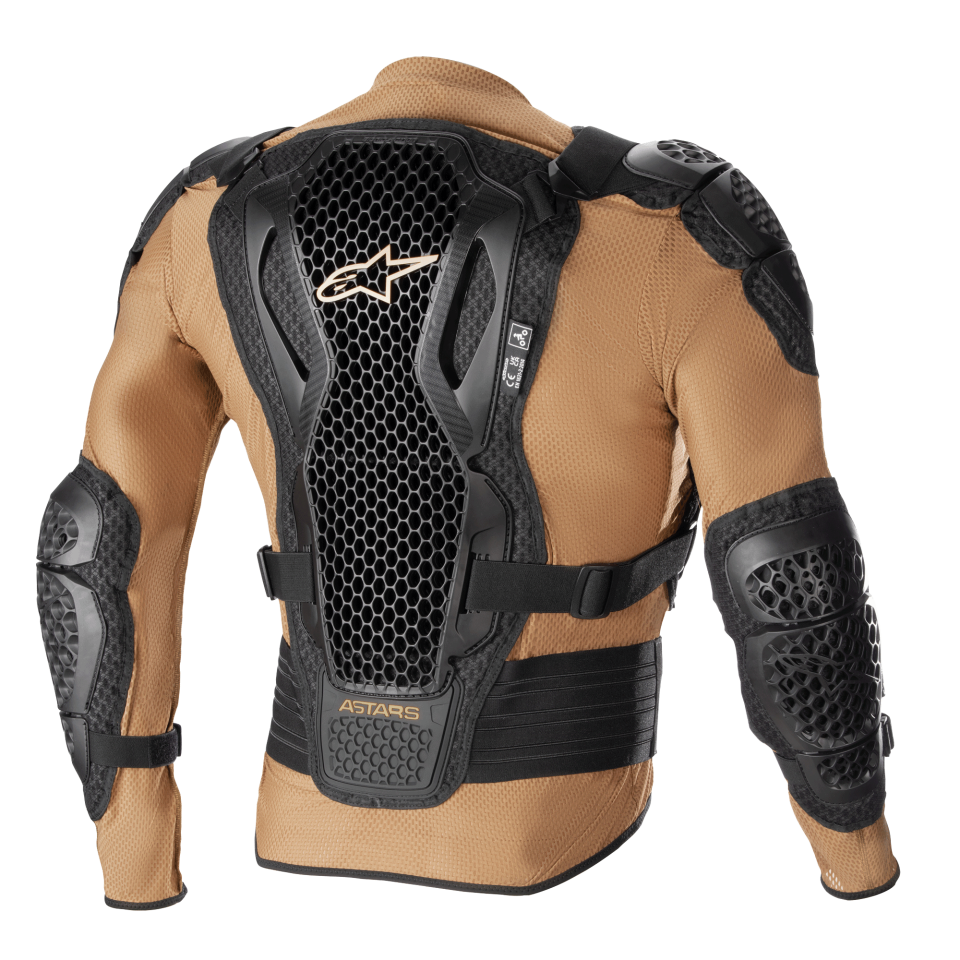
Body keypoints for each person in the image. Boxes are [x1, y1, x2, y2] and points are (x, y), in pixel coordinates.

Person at [35, 56, 897, 908]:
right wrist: (854, 854)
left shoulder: (204, 214)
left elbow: (98, 544)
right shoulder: (676, 228)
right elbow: (786, 570)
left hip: (303, 818)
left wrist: (135, 862)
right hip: (555, 833)